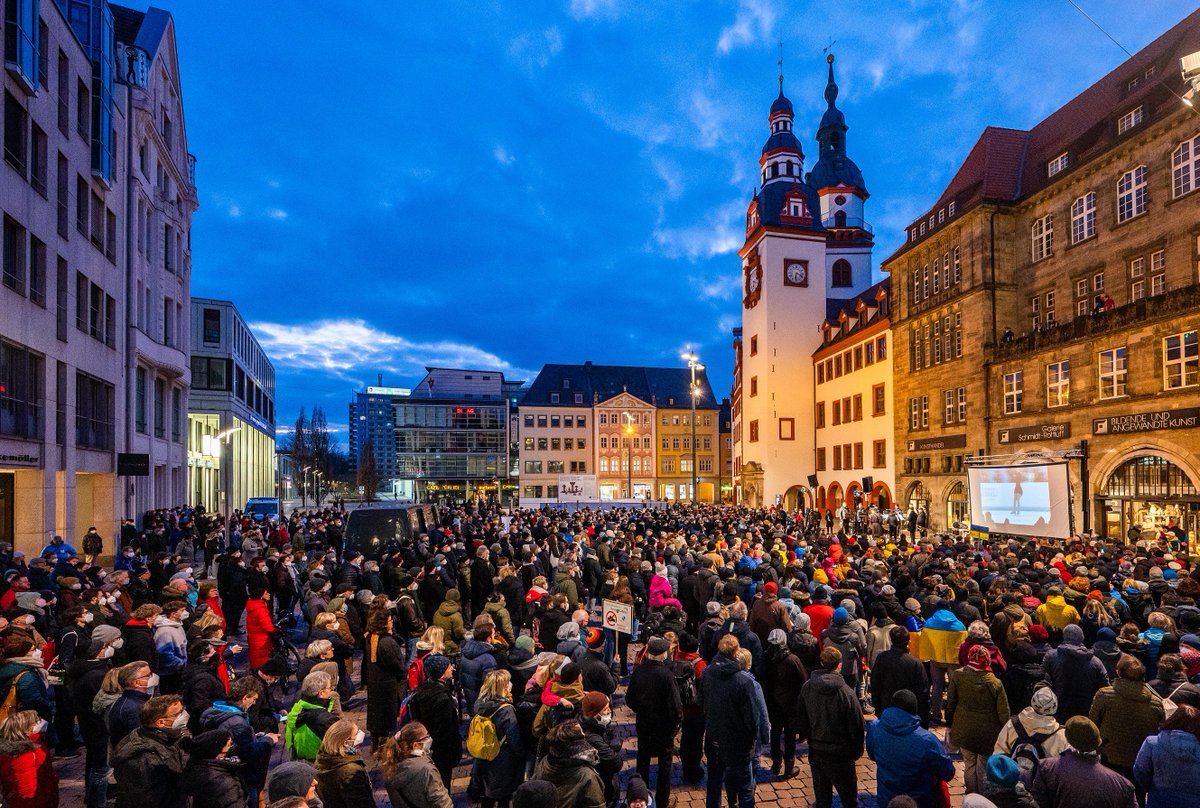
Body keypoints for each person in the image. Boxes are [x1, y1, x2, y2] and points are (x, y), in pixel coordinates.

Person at [700, 634, 766, 808]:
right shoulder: (744, 681)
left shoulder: (707, 672)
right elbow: (752, 717)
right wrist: (752, 737)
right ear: (736, 653)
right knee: (744, 789)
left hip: (714, 737)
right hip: (738, 743)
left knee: (713, 784)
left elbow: (702, 702)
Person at [797, 645, 865, 808]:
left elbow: (801, 717)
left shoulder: (807, 687)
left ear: (822, 662)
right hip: (841, 755)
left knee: (822, 799)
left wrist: (809, 737)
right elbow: (856, 726)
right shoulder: (847, 693)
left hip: (817, 751)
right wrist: (856, 751)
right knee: (849, 799)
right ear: (839, 665)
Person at [866, 689, 956, 808]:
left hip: (886, 799)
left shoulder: (874, 728)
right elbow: (948, 772)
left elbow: (872, 755)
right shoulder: (927, 740)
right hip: (920, 802)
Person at [199, 676, 278, 807]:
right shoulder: (237, 722)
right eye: (253, 699)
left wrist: (253, 736)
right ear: (245, 698)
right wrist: (268, 740)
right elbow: (249, 752)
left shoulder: (215, 710)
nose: (253, 703)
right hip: (241, 775)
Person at [1088, 653, 1164, 788]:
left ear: (1118, 672)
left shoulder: (1104, 695)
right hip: (1139, 761)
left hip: (1108, 757)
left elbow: (1092, 724)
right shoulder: (1156, 703)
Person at [1030, 716, 1137, 808]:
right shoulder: (1123, 786)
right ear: (1098, 742)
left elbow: (1038, 803)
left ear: (1067, 738)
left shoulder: (1047, 767)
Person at [625, 636, 682, 808]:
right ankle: (662, 802)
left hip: (644, 724)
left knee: (643, 760)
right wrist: (676, 724)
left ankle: (642, 796)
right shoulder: (666, 676)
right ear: (663, 654)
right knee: (665, 766)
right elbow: (675, 706)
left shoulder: (639, 671)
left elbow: (629, 699)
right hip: (663, 728)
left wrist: (642, 710)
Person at [948, 644, 1011, 794]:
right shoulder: (995, 682)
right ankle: (982, 795)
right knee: (983, 764)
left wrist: (950, 724)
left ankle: (970, 793)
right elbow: (1004, 711)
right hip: (988, 733)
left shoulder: (958, 675)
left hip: (964, 728)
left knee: (969, 763)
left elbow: (951, 702)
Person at [111, 694, 189, 808]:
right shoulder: (145, 758)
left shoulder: (166, 736)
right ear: (161, 722)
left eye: (183, 710)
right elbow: (150, 800)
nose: (184, 715)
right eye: (178, 714)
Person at [993, 687, 1070, 786]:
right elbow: (1061, 770)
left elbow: (998, 754)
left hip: (1011, 783)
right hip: (1040, 790)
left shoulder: (1012, 723)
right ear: (1054, 708)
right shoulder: (1060, 735)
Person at [471, 669, 525, 808]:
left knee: (488, 793)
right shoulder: (506, 709)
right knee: (503, 795)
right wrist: (520, 755)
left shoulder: (480, 702)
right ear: (504, 686)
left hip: (484, 751)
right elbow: (514, 737)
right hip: (502, 756)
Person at [407, 653, 461, 789]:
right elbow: (445, 731)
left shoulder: (422, 690)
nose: (452, 669)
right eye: (449, 667)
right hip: (441, 753)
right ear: (441, 673)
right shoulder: (442, 699)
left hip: (428, 747)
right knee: (442, 786)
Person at [1132, 703, 1200, 808]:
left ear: (1172, 720)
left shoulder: (1152, 743)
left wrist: (1151, 789)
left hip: (1158, 801)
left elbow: (1140, 771)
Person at [763, 627, 806, 778]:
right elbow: (803, 679)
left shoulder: (766, 657)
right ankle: (789, 767)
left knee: (775, 731)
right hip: (790, 703)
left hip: (773, 701)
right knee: (789, 734)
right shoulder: (792, 660)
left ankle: (776, 763)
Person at [532, 719, 605, 808]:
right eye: (582, 733)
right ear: (577, 745)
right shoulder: (586, 776)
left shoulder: (545, 762)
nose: (585, 734)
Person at [379, 722, 454, 808]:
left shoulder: (390, 765)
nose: (429, 738)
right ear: (415, 745)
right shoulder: (426, 770)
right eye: (426, 737)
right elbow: (442, 803)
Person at [1042, 624, 1108, 722]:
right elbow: (1105, 687)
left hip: (1057, 710)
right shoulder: (1096, 662)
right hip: (1085, 713)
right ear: (1082, 638)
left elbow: (1043, 681)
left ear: (1064, 636)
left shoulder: (1051, 656)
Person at [363, 606, 406, 751]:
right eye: (389, 620)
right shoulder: (386, 642)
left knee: (377, 717)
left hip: (376, 683)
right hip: (387, 685)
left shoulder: (370, 637)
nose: (391, 622)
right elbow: (397, 664)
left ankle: (376, 744)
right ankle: (383, 747)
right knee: (385, 718)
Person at [871, 625, 931, 724]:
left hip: (886, 709)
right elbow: (923, 693)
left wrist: (878, 708)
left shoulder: (882, 658)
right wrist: (924, 720)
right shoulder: (915, 663)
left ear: (891, 640)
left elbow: (875, 685)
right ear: (908, 641)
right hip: (909, 713)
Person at [0, 709, 58, 808]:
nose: (40, 722)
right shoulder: (27, 754)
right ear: (27, 728)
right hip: (37, 801)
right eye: (37, 721)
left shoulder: (8, 752)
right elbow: (27, 790)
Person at [313, 719, 375, 808]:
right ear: (346, 743)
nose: (360, 737)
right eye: (356, 734)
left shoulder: (322, 760)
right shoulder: (350, 771)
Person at [180, 728, 249, 808]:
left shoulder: (194, 767)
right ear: (216, 751)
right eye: (229, 745)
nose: (233, 747)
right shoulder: (223, 782)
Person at [285, 671, 338, 762]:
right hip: (320, 762)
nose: (332, 690)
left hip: (301, 759)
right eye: (330, 688)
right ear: (321, 693)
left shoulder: (298, 707)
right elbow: (341, 740)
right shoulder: (322, 718)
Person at [245, 587, 277, 671]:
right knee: (262, 662)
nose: (269, 594)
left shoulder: (252, 606)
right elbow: (268, 627)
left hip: (254, 639)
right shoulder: (260, 609)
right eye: (266, 593)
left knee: (256, 660)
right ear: (261, 596)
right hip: (262, 641)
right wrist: (275, 631)